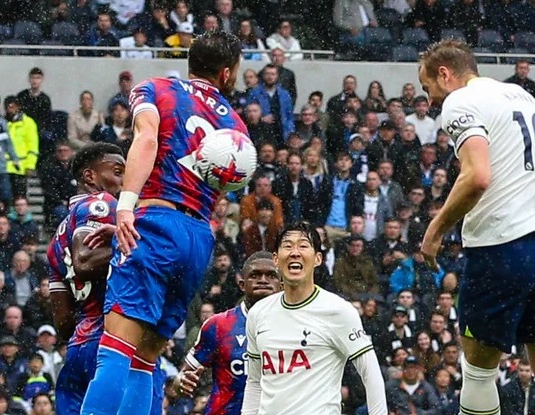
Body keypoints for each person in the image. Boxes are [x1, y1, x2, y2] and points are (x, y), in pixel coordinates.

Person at [418, 39, 535, 415]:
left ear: (445, 74)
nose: (432, 99)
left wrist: (434, 231)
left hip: (500, 246)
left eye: (428, 88)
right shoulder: (523, 97)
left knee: (479, 374)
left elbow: (477, 177)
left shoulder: (459, 101)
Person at [80, 31, 247, 415]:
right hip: (198, 237)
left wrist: (126, 208)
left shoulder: (156, 89)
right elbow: (222, 185)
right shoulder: (236, 123)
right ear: (226, 73)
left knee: (116, 350)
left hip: (154, 223)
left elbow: (147, 141)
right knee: (146, 358)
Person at [46, 143, 163, 415]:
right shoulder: (102, 203)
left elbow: (62, 322)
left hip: (79, 347)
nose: (126, 180)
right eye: (119, 172)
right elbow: (85, 260)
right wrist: (142, 246)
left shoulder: (55, 240)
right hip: (116, 341)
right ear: (90, 177)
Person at [241, 221, 387, 415]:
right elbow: (254, 381)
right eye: (287, 246)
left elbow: (370, 373)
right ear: (276, 259)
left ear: (318, 259)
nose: (294, 252)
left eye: (303, 245)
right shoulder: (258, 313)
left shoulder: (338, 311)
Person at [175, 251, 282, 414]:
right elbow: (183, 377)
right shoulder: (218, 325)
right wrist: (182, 382)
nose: (263, 280)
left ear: (282, 285)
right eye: (255, 275)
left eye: (271, 275)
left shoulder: (298, 326)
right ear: (242, 284)